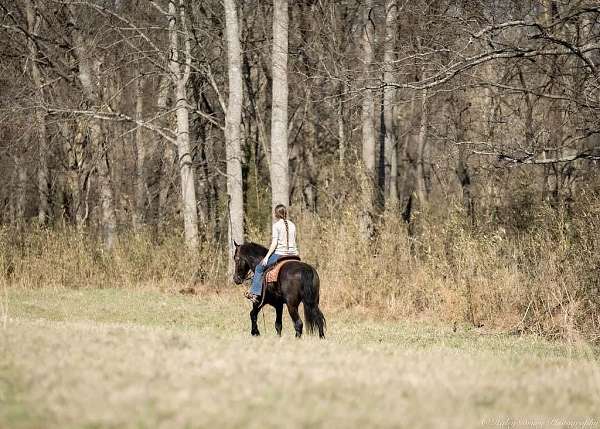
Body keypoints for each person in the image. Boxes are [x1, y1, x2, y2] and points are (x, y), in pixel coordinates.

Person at [246, 204, 299, 303]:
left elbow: (274, 244)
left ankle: (255, 293)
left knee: (259, 268)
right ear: (285, 213)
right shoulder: (292, 225)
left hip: (280, 254)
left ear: (276, 214)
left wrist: (266, 257)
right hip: (294, 255)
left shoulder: (276, 225)